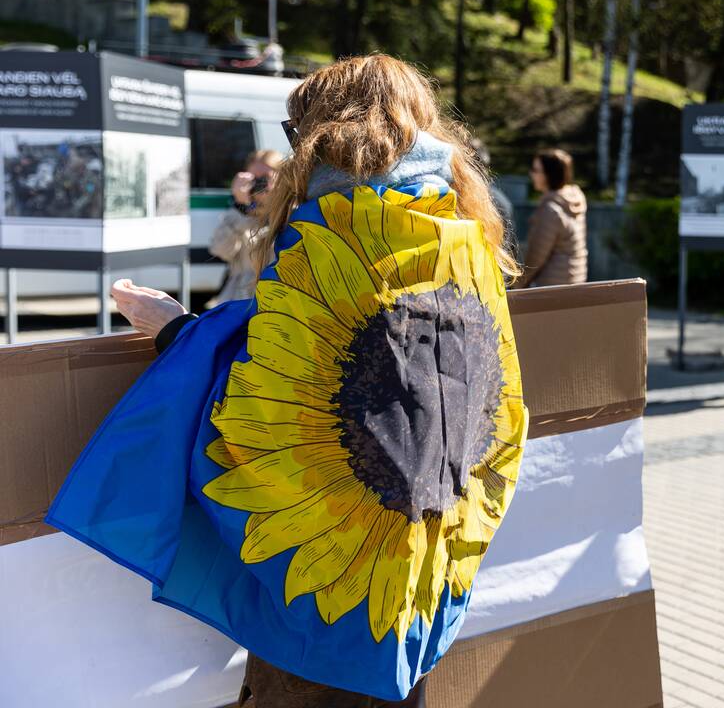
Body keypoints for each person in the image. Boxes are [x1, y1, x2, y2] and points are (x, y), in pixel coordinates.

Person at [52, 54, 529, 708]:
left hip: (329, 586)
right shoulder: (464, 239)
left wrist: (180, 334)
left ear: (322, 133)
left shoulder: (338, 231)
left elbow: (264, 398)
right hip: (414, 565)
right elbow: (492, 410)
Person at [206, 149, 283, 307]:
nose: (259, 184)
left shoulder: (291, 213)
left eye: (265, 178)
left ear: (282, 178)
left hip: (274, 302)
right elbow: (220, 250)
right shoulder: (240, 214)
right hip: (239, 302)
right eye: (254, 179)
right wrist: (240, 208)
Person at [513, 148, 587, 288]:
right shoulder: (574, 199)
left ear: (549, 175)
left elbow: (535, 258)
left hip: (550, 288)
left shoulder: (550, 210)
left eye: (535, 170)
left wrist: (517, 286)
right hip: (574, 282)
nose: (531, 174)